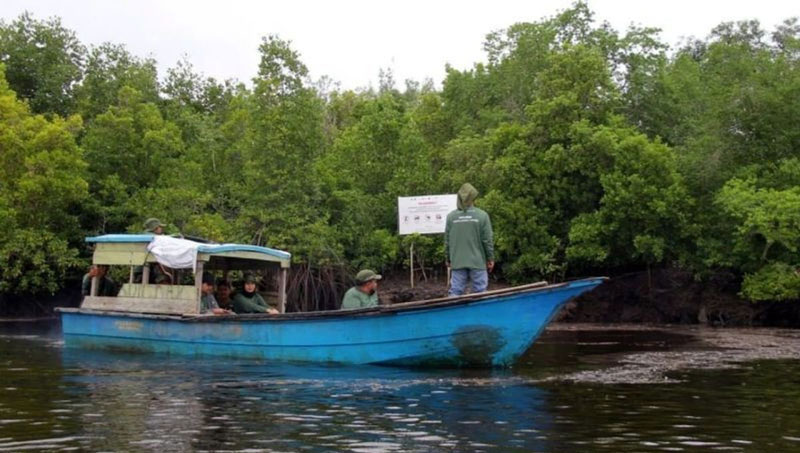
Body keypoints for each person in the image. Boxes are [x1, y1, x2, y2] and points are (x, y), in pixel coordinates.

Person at [444, 183, 494, 296]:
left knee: (455, 292)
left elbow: (447, 240)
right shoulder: (482, 216)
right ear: (473, 197)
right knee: (481, 292)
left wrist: (448, 258)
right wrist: (490, 258)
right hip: (478, 262)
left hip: (457, 261)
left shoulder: (451, 217)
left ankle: (453, 308)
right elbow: (487, 240)